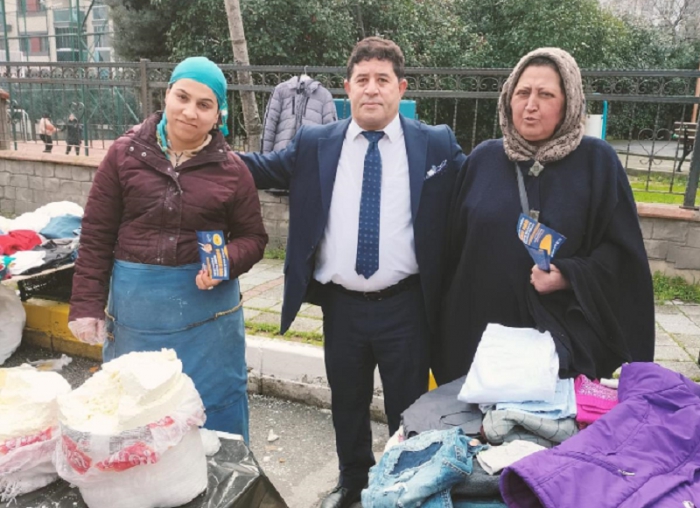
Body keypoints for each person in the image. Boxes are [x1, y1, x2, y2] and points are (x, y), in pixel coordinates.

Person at [239, 37, 466, 508]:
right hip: (341, 307)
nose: (372, 89)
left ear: (401, 88)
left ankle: (404, 487)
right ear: (347, 88)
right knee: (347, 401)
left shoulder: (435, 143)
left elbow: (479, 184)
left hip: (406, 306)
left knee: (410, 407)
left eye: (383, 79)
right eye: (362, 79)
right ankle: (353, 483)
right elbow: (261, 168)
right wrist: (199, 151)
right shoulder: (316, 143)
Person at [68, 56, 267, 443]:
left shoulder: (233, 171)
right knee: (136, 415)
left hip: (207, 321)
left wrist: (224, 262)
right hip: (136, 318)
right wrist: (87, 305)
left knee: (212, 419)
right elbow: (96, 233)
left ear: (218, 115)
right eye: (183, 97)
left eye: (204, 104)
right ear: (167, 96)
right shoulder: (124, 154)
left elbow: (254, 238)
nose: (190, 112)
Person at [435, 47, 655, 387]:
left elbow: (623, 257)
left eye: (546, 94)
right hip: (479, 340)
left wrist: (569, 275)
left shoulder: (597, 163)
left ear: (569, 103)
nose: (531, 104)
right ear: (508, 99)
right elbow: (452, 249)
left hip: (561, 344)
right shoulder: (483, 160)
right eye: (522, 93)